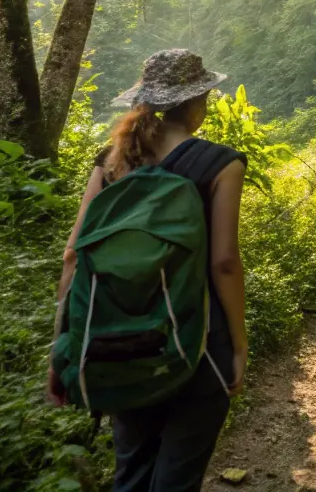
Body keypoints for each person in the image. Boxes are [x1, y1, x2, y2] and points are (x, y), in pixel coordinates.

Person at [49, 50, 245, 492]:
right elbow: (225, 263)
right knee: (178, 475)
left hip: (120, 340)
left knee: (132, 469)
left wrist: (63, 345)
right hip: (198, 341)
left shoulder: (114, 159)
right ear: (198, 103)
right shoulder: (221, 163)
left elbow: (73, 256)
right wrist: (238, 344)